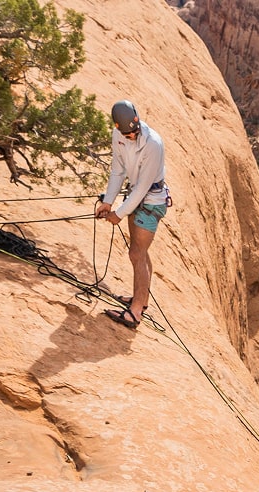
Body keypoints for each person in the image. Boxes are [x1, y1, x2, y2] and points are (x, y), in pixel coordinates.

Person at [96, 99, 169, 330]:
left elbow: (143, 186)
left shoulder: (153, 144)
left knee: (137, 253)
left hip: (151, 200)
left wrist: (118, 212)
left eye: (134, 133)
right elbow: (118, 170)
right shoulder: (118, 135)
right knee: (139, 252)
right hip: (136, 197)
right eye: (127, 134)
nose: (131, 137)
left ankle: (135, 312)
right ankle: (141, 300)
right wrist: (108, 202)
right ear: (118, 127)